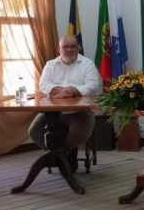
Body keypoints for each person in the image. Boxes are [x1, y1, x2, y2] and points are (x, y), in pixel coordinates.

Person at [28, 35, 102, 167]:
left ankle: (62, 156)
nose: (69, 49)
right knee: (34, 131)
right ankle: (58, 155)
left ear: (78, 48)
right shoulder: (50, 65)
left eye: (73, 46)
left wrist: (72, 91)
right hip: (52, 112)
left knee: (78, 134)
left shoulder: (87, 64)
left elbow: (93, 85)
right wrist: (63, 90)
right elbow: (43, 85)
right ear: (59, 49)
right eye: (65, 47)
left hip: (80, 111)